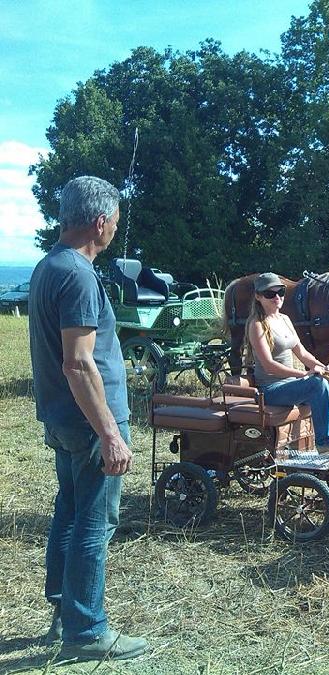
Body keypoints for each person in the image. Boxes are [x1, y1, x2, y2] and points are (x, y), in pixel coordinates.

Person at [29, 176, 148, 660]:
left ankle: (65, 609)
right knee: (94, 522)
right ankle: (86, 630)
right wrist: (110, 433)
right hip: (89, 423)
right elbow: (78, 363)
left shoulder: (47, 266)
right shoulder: (77, 274)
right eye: (115, 223)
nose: (115, 230)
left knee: (71, 512)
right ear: (100, 222)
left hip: (62, 417)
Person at [245, 272, 329, 454]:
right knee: (316, 384)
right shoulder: (256, 324)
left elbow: (303, 353)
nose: (277, 297)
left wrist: (327, 370)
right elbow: (268, 365)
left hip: (291, 386)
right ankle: (325, 443)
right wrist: (303, 374)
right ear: (258, 296)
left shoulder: (285, 320)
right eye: (269, 294)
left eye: (280, 292)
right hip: (270, 390)